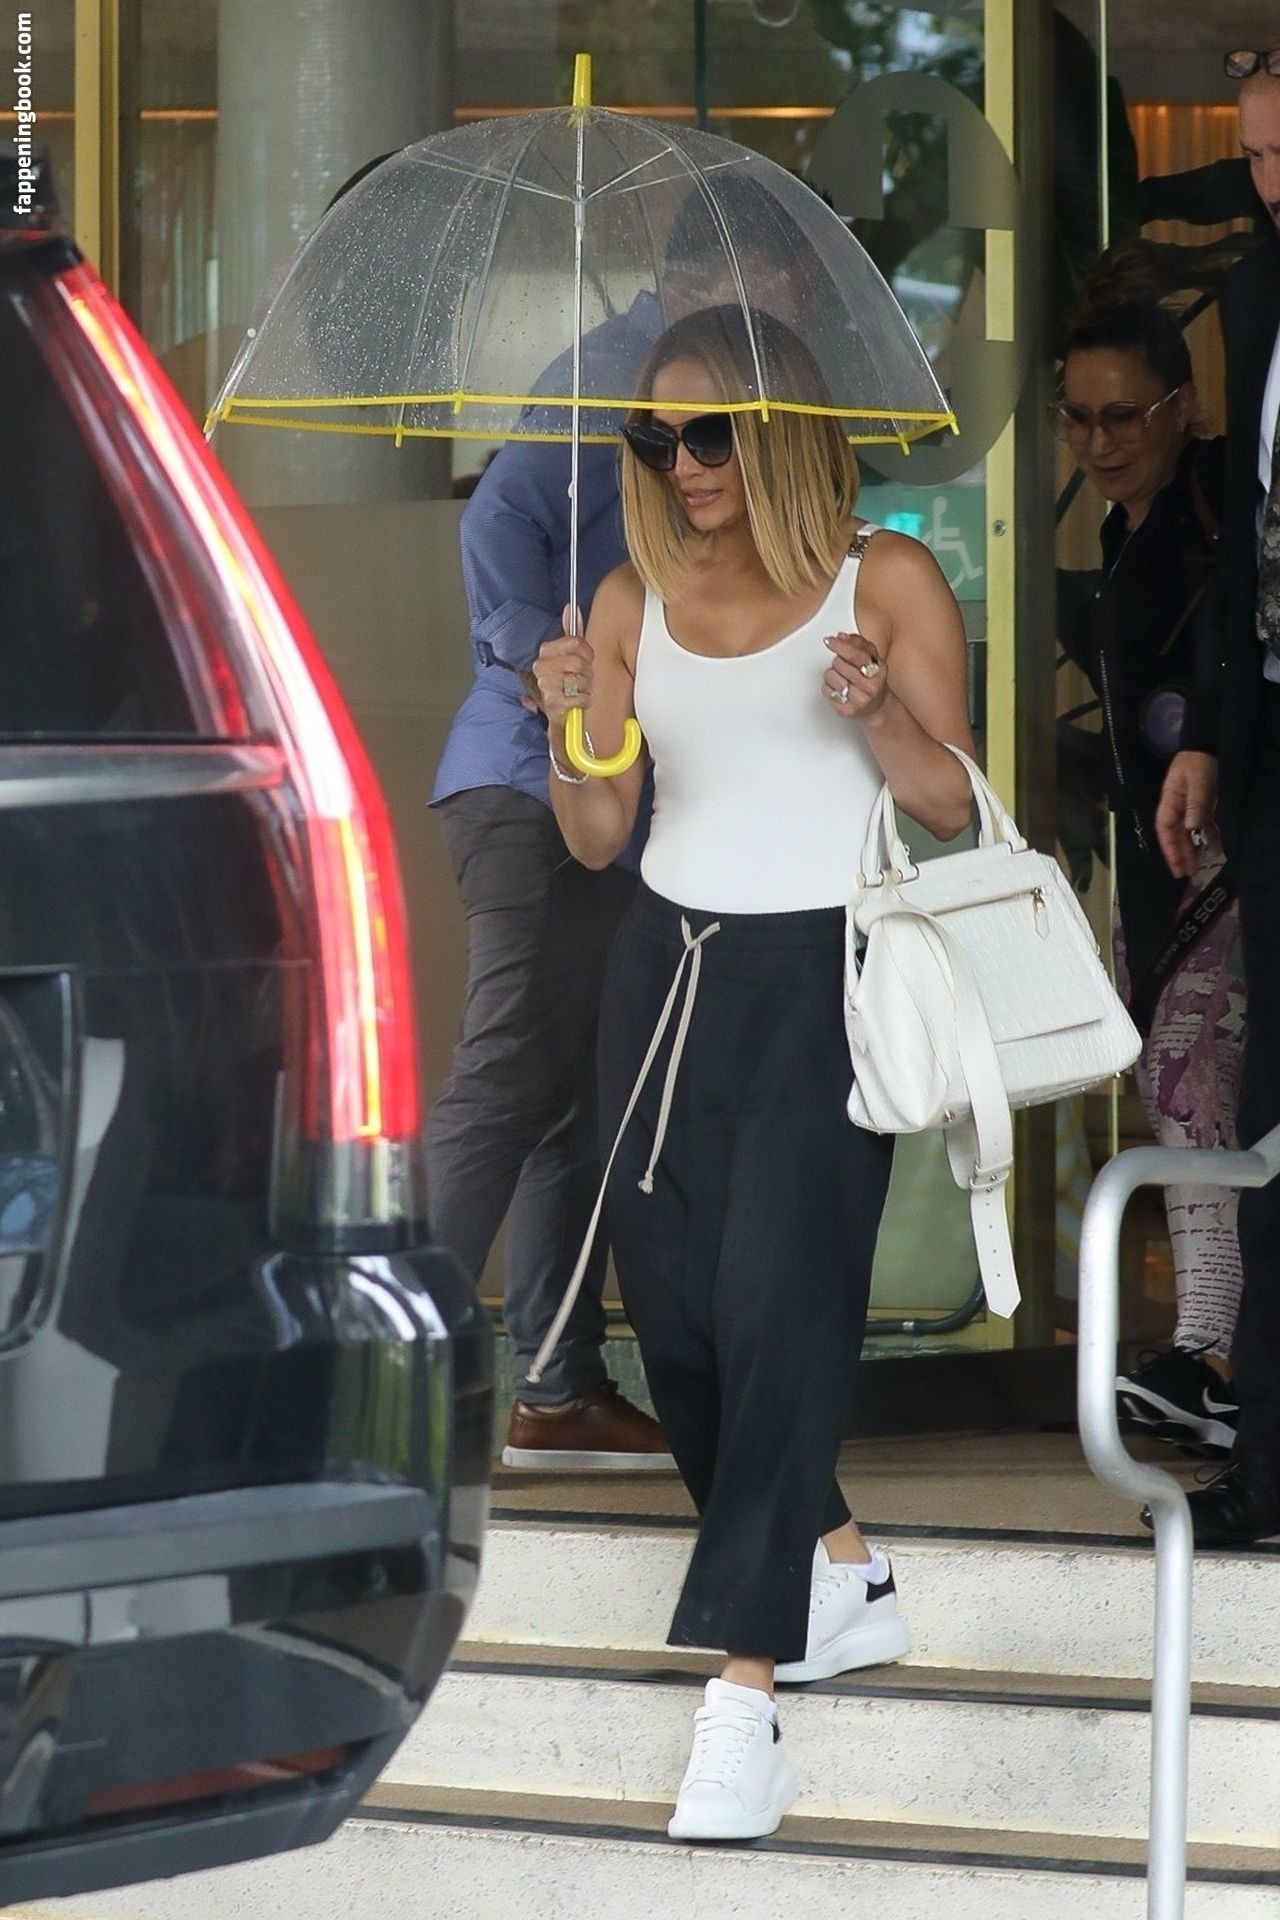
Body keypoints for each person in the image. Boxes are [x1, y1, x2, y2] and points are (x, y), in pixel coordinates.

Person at [531, 305, 975, 1839]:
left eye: (711, 433)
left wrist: (878, 710)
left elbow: (953, 807)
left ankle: (743, 1702)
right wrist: (570, 723)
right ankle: (843, 1571)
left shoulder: (884, 576)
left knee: (781, 1307)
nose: (685, 463)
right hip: (665, 969)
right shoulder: (630, 595)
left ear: (784, 427)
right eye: (656, 437)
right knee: (680, 1324)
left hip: (826, 974)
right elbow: (598, 833)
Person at [426, 286, 671, 1470]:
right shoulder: (621, 367)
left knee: (574, 1090)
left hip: (598, 796)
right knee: (507, 1078)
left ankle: (558, 1388)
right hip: (530, 784)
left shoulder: (705, 377)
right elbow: (495, 516)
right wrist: (535, 653)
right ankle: (386, 1388)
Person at [1055, 290, 1244, 1455]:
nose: (1097, 440)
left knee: (1187, 1081)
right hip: (1157, 867)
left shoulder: (1220, 509)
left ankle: (1213, 1352)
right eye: (1076, 418)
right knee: (1178, 1092)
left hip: (1224, 860)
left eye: (1120, 413)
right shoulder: (1120, 537)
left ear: (1179, 406)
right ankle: (1213, 1354)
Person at [1153, 47, 1280, 1544]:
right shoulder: (1253, 296)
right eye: (1251, 154)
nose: (1266, 183)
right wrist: (1207, 737)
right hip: (1272, 737)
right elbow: (1243, 535)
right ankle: (1266, 1460)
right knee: (1266, 1103)